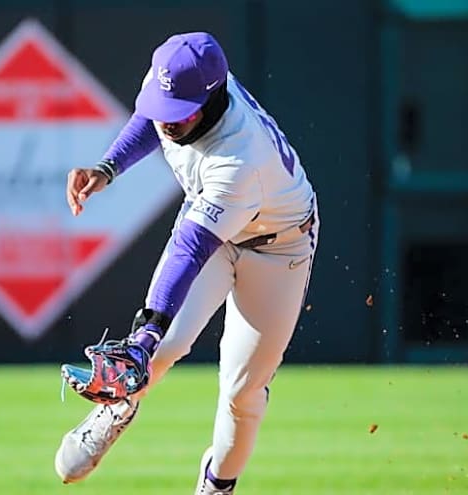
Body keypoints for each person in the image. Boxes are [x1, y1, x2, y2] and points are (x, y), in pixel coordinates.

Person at [55, 31, 319, 494]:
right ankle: (120, 405)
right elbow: (148, 118)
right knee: (159, 350)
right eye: (165, 106)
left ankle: (216, 486)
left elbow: (190, 250)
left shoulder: (240, 158)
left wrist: (143, 335)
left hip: (278, 250)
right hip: (218, 223)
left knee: (241, 393)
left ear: (214, 98)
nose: (169, 123)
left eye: (179, 114)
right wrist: (107, 168)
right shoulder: (179, 82)